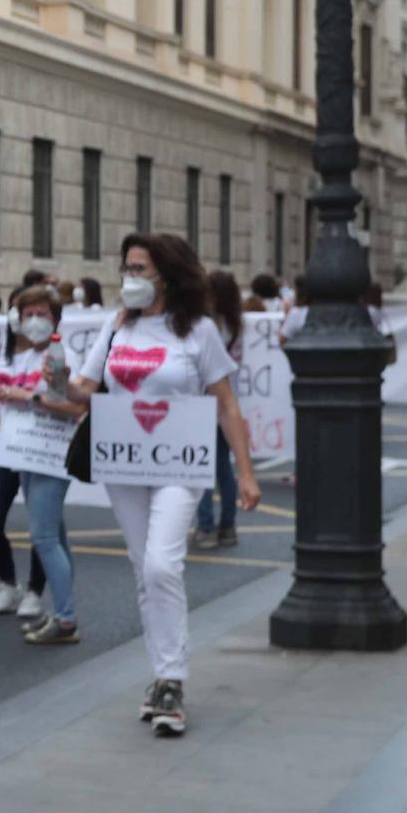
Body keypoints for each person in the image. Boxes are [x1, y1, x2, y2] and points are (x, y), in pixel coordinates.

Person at [72, 233, 260, 735]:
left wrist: (244, 472)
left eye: (140, 268)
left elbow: (227, 404)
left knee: (161, 563)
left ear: (167, 275)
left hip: (180, 462)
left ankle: (173, 677)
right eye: (127, 267)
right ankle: (162, 677)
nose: (130, 277)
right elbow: (82, 389)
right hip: (125, 464)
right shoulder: (117, 327)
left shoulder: (198, 331)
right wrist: (55, 378)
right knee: (144, 569)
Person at [0, 286, 83, 643]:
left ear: (56, 319)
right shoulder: (20, 354)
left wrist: (26, 398)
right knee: (54, 535)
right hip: (22, 451)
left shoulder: (60, 355)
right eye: (27, 314)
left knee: (44, 536)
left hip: (50, 452)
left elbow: (74, 407)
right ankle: (62, 610)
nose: (34, 321)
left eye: (42, 314)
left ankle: (65, 618)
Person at [194, 270, 246, 550]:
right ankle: (228, 525)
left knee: (203, 468)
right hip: (229, 403)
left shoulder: (207, 326)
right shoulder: (236, 324)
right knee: (224, 468)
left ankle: (205, 527)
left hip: (206, 404)